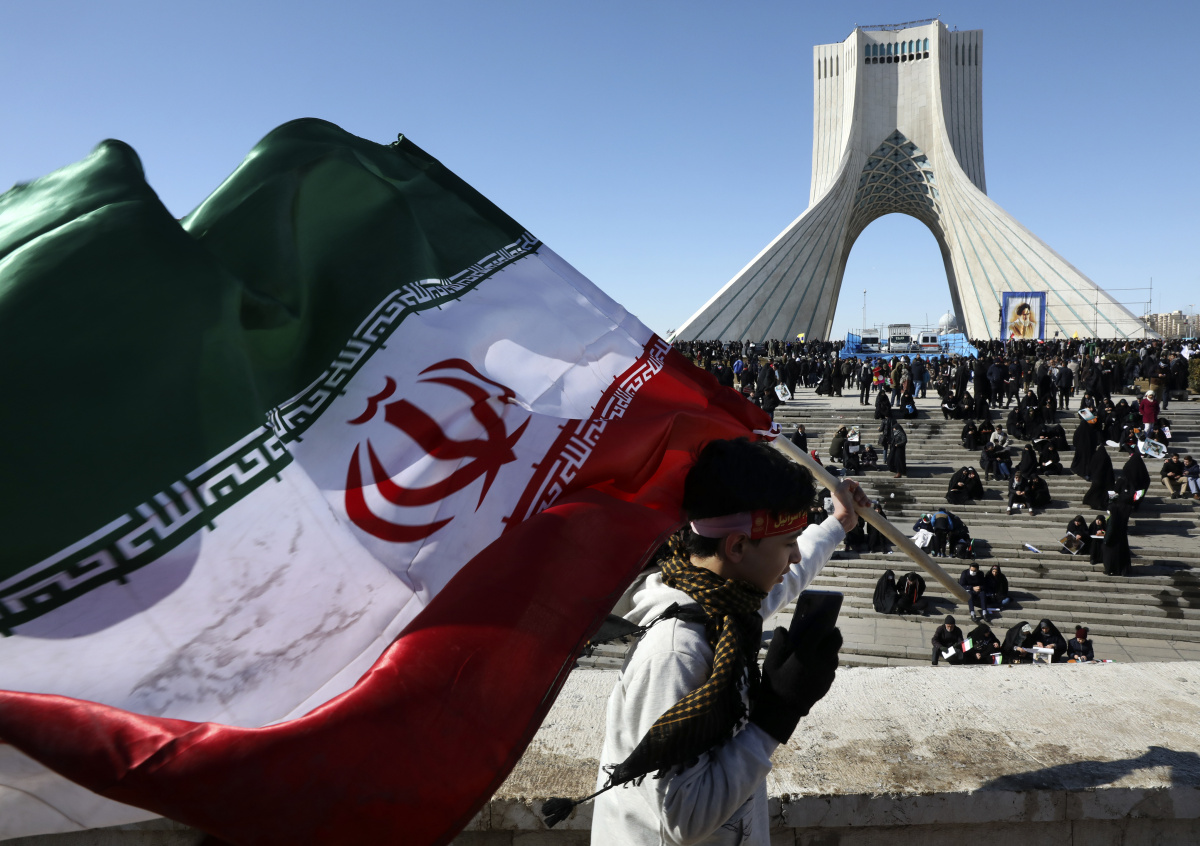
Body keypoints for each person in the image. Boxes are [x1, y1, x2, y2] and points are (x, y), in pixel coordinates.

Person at [590, 438, 870, 843]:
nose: (794, 556)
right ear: (737, 545)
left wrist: (837, 523)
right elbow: (684, 820)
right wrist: (776, 714)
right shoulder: (676, 653)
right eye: (788, 543)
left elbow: (787, 577)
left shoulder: (721, 600)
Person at [1082, 444, 1115, 510]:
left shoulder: (1096, 456)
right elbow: (1110, 469)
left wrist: (1090, 474)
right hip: (1106, 478)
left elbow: (1091, 466)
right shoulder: (1106, 457)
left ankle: (1090, 501)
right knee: (1106, 492)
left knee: (1095, 492)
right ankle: (1108, 504)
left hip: (1097, 477)